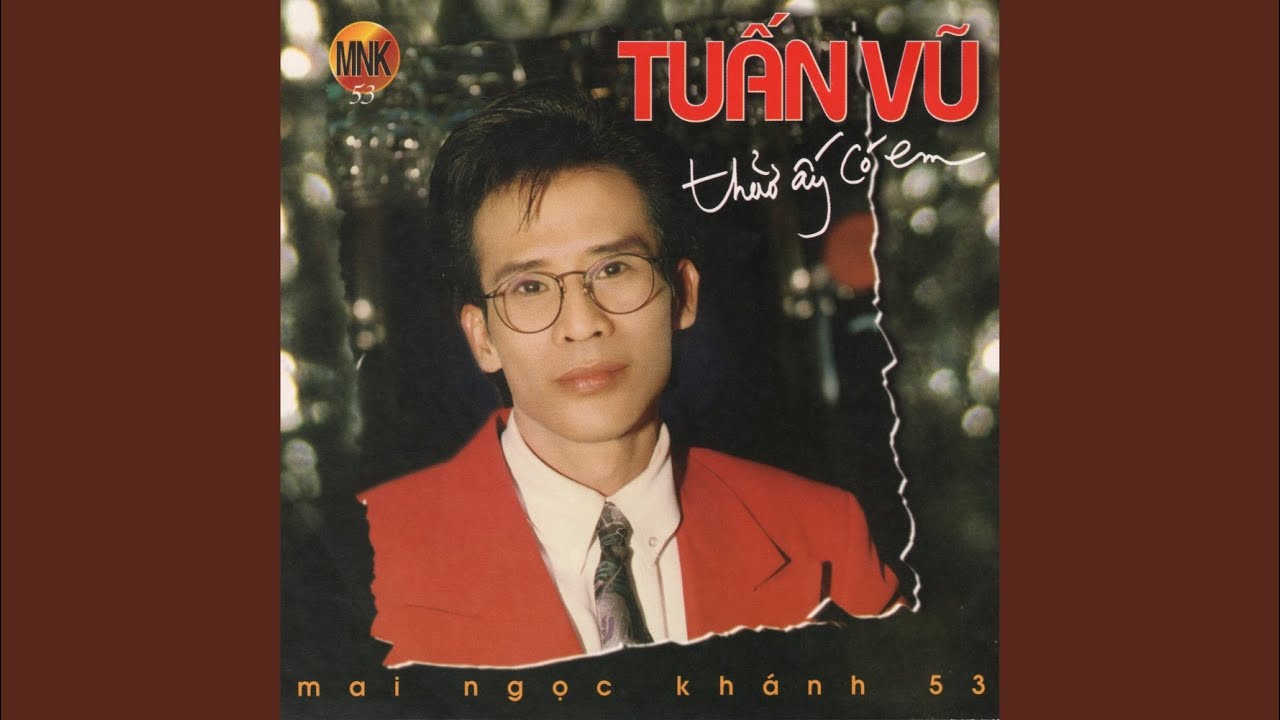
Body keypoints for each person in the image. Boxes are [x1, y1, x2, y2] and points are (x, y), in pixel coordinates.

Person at [358, 84, 903, 668]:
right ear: (482, 337)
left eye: (614, 268)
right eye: (530, 286)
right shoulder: (365, 554)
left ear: (682, 294)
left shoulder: (823, 534)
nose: (582, 324)